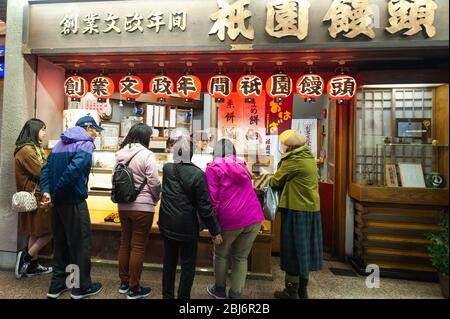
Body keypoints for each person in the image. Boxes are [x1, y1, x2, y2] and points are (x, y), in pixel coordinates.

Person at [39, 115, 104, 299]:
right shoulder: (86, 143)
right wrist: (56, 195)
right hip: (73, 201)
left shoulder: (60, 144)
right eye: (96, 130)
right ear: (88, 128)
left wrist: (47, 192)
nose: (97, 135)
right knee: (80, 244)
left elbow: (45, 169)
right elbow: (73, 172)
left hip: (57, 203)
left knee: (60, 243)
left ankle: (58, 285)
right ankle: (80, 287)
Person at [158, 138, 223, 299]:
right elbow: (205, 207)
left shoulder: (167, 169)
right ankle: (183, 297)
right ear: (191, 154)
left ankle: (167, 296)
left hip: (167, 224)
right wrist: (215, 231)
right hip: (187, 227)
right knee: (188, 265)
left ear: (175, 153)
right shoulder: (198, 175)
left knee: (169, 262)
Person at [205, 139, 264, 299]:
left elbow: (213, 200)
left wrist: (213, 227)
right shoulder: (241, 165)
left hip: (231, 219)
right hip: (254, 217)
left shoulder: (212, 168)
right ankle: (236, 295)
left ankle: (219, 290)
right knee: (240, 257)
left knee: (221, 255)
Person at [269, 129, 323, 299]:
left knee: (292, 248)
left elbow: (276, 181)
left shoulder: (293, 160)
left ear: (289, 146)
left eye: (283, 144)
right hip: (311, 209)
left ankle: (291, 291)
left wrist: (267, 177)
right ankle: (302, 289)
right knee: (304, 249)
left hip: (296, 209)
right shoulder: (307, 157)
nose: (282, 147)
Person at [114, 123, 161, 299]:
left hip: (123, 205)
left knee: (125, 243)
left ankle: (124, 283)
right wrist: (155, 198)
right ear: (145, 137)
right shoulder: (147, 154)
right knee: (138, 247)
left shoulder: (120, 153)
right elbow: (154, 182)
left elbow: (114, 177)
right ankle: (134, 288)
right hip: (143, 207)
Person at [14, 119, 53, 279]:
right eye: (43, 129)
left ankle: (32, 266)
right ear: (35, 130)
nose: (44, 132)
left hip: (36, 195)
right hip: (36, 196)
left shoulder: (33, 149)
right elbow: (41, 171)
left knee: (35, 233)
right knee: (50, 230)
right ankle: (26, 257)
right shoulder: (27, 151)